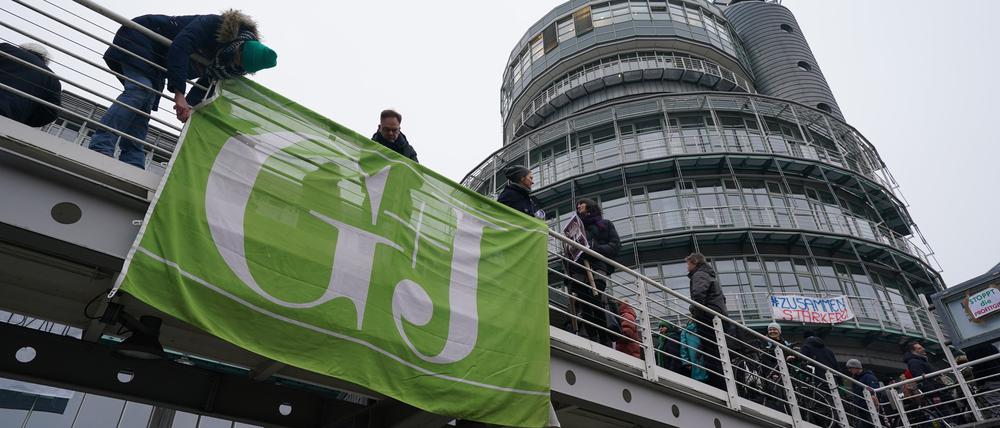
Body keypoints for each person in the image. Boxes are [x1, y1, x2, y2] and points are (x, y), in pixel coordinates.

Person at [89, 10, 277, 168]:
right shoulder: (215, 25)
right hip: (142, 37)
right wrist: (179, 94)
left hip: (159, 60)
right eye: (239, 59)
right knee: (140, 90)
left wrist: (189, 109)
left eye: (242, 65)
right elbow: (181, 47)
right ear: (241, 48)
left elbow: (205, 83)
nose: (237, 64)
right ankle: (101, 143)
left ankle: (133, 160)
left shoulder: (228, 63)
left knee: (143, 103)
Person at [566, 198, 620, 347]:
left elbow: (615, 245)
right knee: (585, 305)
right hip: (579, 268)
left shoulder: (605, 224)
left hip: (597, 266)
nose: (578, 206)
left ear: (590, 206)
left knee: (597, 301)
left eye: (581, 203)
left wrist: (595, 249)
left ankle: (605, 341)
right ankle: (592, 339)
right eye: (577, 205)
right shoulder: (577, 227)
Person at [685, 252, 727, 390]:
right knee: (716, 351)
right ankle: (723, 383)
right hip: (716, 315)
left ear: (694, 262)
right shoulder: (709, 275)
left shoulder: (700, 274)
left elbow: (698, 295)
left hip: (707, 316)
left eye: (688, 263)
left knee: (710, 352)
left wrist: (695, 312)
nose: (687, 267)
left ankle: (717, 385)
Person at [0, 43, 61, 127]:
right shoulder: (52, 79)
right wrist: (24, 120)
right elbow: (50, 112)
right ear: (46, 61)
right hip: (8, 118)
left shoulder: (6, 49)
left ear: (22, 48)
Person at [846, 358, 881, 428]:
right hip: (860, 409)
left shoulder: (868, 377)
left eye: (850, 368)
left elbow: (876, 391)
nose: (849, 370)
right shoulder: (855, 379)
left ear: (856, 367)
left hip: (868, 408)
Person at [680, 318, 707, 382]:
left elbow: (683, 348)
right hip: (705, 355)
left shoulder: (685, 331)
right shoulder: (703, 327)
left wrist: (686, 362)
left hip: (694, 358)